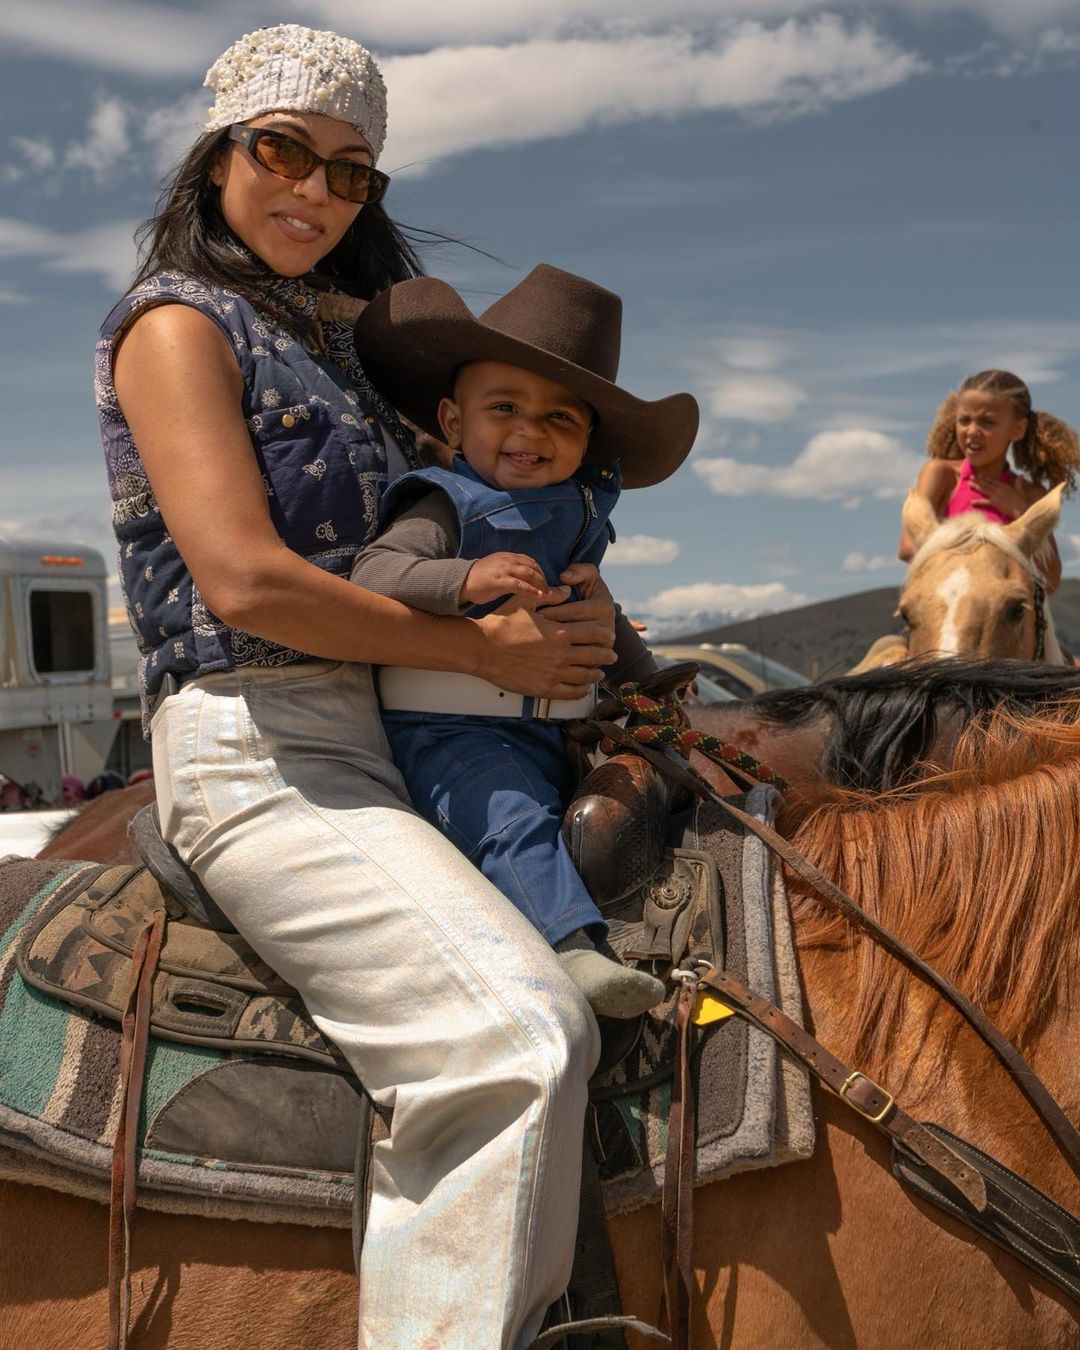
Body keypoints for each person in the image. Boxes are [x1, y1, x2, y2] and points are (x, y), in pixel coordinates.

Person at [95, 24, 621, 1347]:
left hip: (411, 732)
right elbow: (247, 581)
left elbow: (463, 525)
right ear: (222, 151)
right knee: (516, 1039)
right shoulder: (176, 324)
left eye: (352, 173)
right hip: (268, 747)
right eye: (285, 153)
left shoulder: (352, 340)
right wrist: (479, 653)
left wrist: (571, 608)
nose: (316, 194)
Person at [350, 265, 698, 1019]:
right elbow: (376, 572)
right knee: (508, 821)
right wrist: (465, 578)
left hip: (551, 732)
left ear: (586, 442)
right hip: (450, 731)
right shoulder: (447, 503)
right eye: (504, 406)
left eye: (560, 420)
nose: (530, 432)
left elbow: (599, 620)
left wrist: (649, 688)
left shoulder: (578, 517)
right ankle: (574, 949)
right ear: (452, 422)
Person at [898, 368, 1079, 591]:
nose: (972, 431)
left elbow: (1050, 581)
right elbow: (907, 547)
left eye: (988, 422)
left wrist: (1020, 512)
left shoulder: (1030, 495)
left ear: (1018, 429)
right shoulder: (941, 475)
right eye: (964, 420)